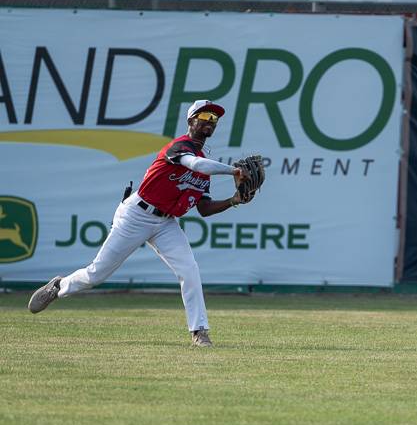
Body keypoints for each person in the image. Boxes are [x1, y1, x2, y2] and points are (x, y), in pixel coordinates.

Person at [27, 100, 251, 348]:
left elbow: (204, 208)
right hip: (136, 215)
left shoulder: (205, 168)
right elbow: (195, 164)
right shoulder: (179, 147)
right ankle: (59, 286)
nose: (210, 121)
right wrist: (234, 171)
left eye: (215, 118)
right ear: (190, 121)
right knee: (96, 274)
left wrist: (234, 200)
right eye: (205, 115)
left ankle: (199, 331)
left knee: (189, 269)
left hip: (166, 222)